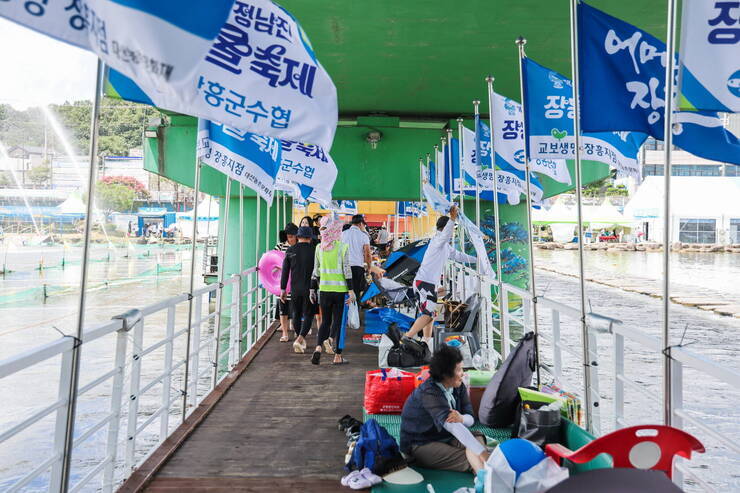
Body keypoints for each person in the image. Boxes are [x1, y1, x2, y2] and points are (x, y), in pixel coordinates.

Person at [400, 345, 489, 473]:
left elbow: (470, 419)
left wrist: (462, 418)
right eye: (459, 370)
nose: (463, 373)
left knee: (476, 437)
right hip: (420, 444)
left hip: (446, 437)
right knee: (471, 455)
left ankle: (482, 469)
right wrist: (483, 454)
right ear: (446, 374)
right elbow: (453, 426)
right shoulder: (429, 393)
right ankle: (485, 475)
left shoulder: (458, 386)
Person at [404, 205, 476, 345]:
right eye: (453, 229)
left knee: (431, 314)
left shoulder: (445, 246)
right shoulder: (437, 241)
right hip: (424, 283)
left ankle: (425, 340)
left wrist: (479, 260)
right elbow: (446, 234)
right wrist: (452, 219)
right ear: (443, 229)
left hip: (427, 283)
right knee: (428, 314)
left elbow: (460, 256)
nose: (453, 233)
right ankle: (406, 338)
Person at [310, 217, 354, 365]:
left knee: (325, 322)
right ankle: (337, 356)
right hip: (340, 291)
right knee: (339, 322)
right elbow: (347, 270)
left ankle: (318, 348)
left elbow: (315, 271)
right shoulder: (342, 247)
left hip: (324, 290)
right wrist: (352, 290)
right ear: (336, 231)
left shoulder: (319, 248)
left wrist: (312, 289)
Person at [281, 226, 316, 353]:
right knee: (308, 315)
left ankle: (301, 339)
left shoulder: (290, 250)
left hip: (295, 288)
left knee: (296, 314)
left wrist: (283, 289)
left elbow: (285, 272)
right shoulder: (315, 250)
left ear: (298, 236)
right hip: (311, 288)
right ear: (310, 238)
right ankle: (300, 339)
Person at [274, 223, 298, 342]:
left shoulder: (299, 247)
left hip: (295, 283)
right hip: (283, 283)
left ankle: (295, 330)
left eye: (293, 236)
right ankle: (284, 333)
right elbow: (272, 262)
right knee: (283, 308)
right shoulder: (279, 247)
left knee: (296, 308)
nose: (291, 239)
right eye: (289, 236)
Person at [341, 214, 371, 304]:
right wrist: (369, 268)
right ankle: (355, 315)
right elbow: (367, 254)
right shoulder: (363, 236)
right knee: (356, 293)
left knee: (345, 292)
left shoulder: (343, 234)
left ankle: (345, 315)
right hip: (357, 268)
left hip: (344, 267)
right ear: (361, 223)